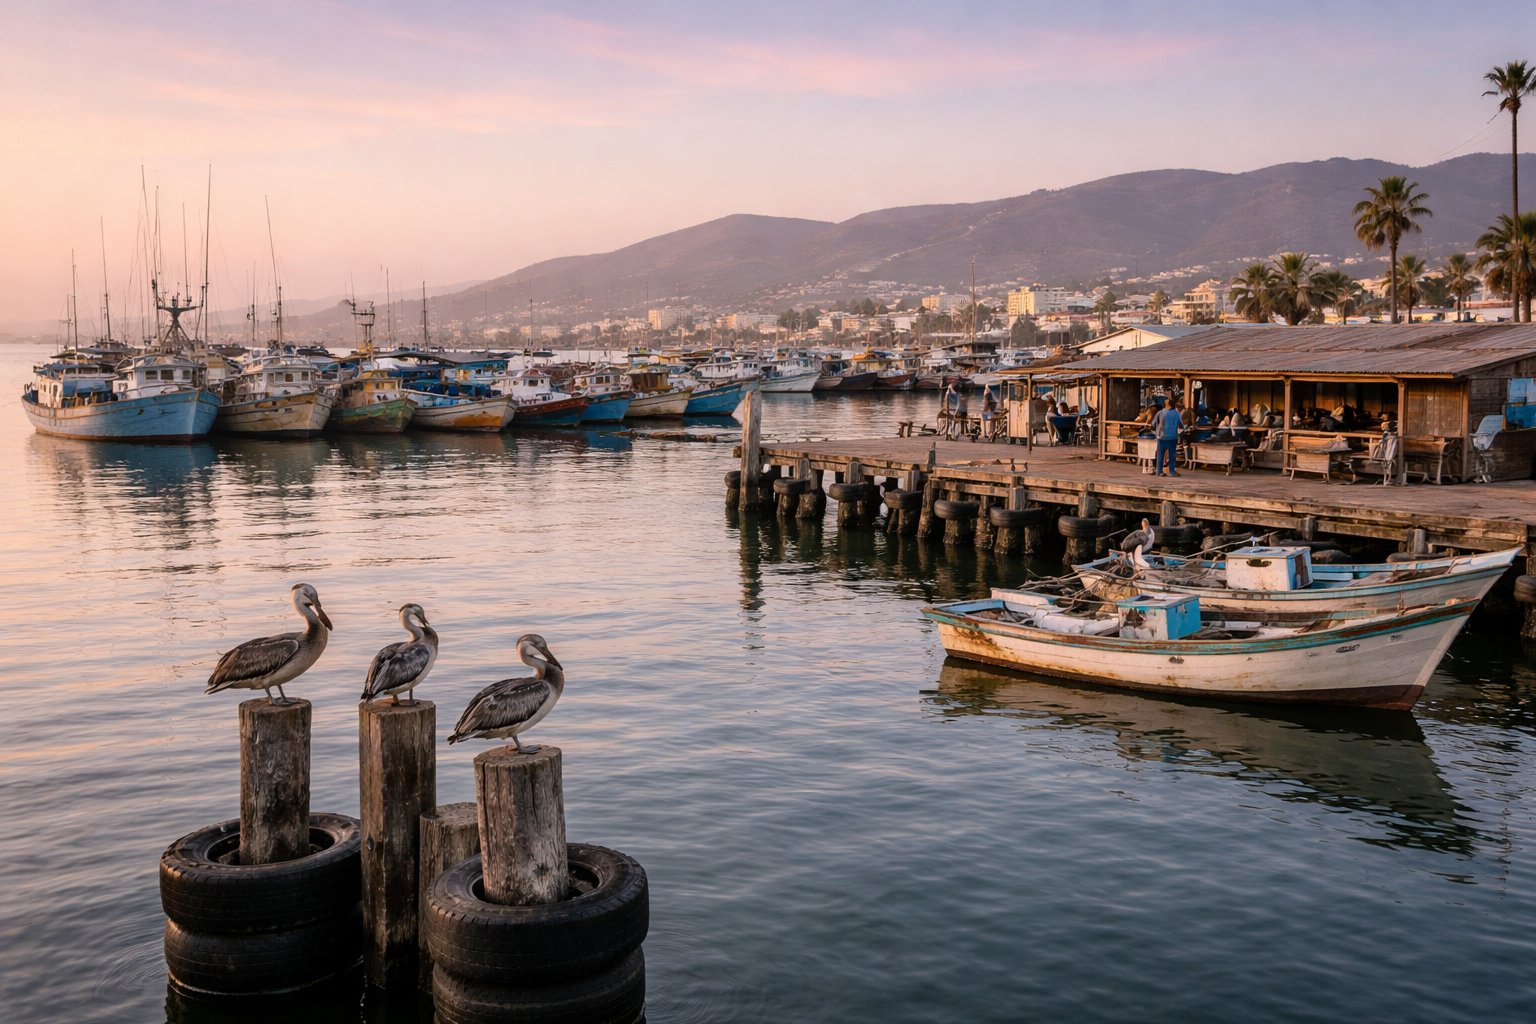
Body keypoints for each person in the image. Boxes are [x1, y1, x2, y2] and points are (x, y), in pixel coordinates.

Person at [1151, 397, 1182, 476]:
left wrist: (1157, 430)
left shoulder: (1160, 413)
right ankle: (1172, 471)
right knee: (1172, 455)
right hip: (1173, 437)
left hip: (1161, 437)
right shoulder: (1176, 413)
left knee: (1160, 455)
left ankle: (1159, 471)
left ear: (1164, 405)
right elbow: (1180, 424)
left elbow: (1153, 424)